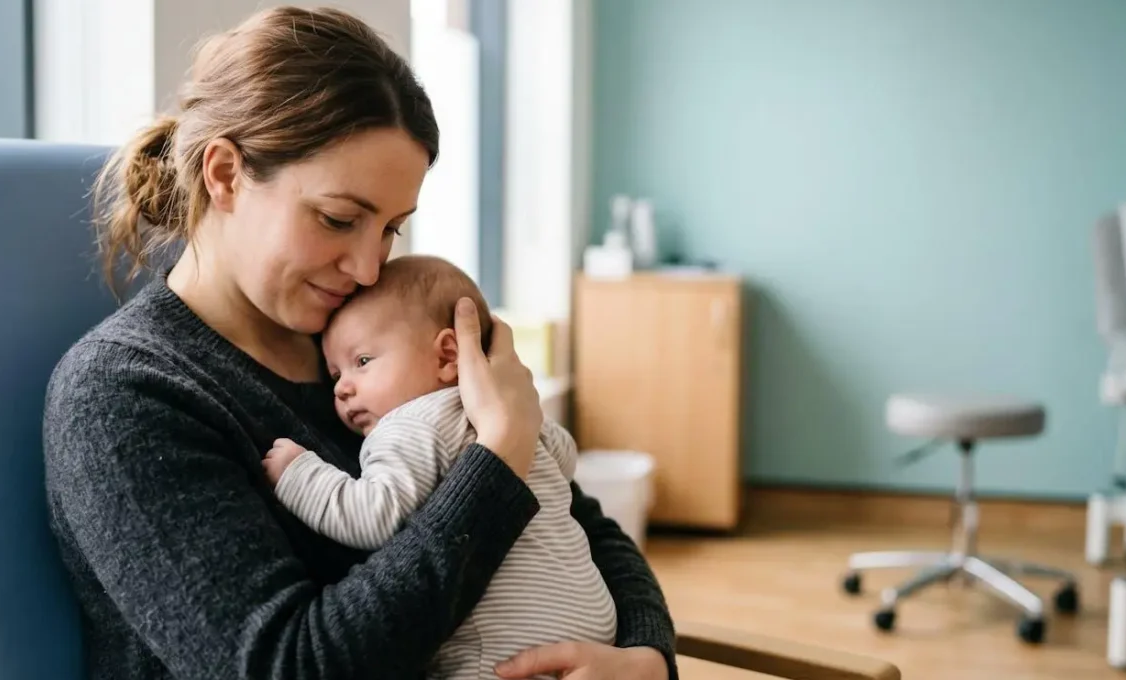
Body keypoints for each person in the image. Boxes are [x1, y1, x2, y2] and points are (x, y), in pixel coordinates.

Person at [42, 6, 677, 680]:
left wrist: (644, 656)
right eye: (338, 219)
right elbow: (291, 667)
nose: (368, 268)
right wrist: (497, 457)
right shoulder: (124, 396)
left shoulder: (381, 331)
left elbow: (576, 519)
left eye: (391, 229)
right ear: (224, 175)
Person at [262, 255, 617, 679]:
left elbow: (374, 515)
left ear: (448, 354)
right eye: (335, 373)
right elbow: (565, 457)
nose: (341, 388)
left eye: (362, 362)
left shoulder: (408, 424)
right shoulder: (511, 409)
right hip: (594, 625)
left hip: (503, 649)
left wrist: (301, 473)